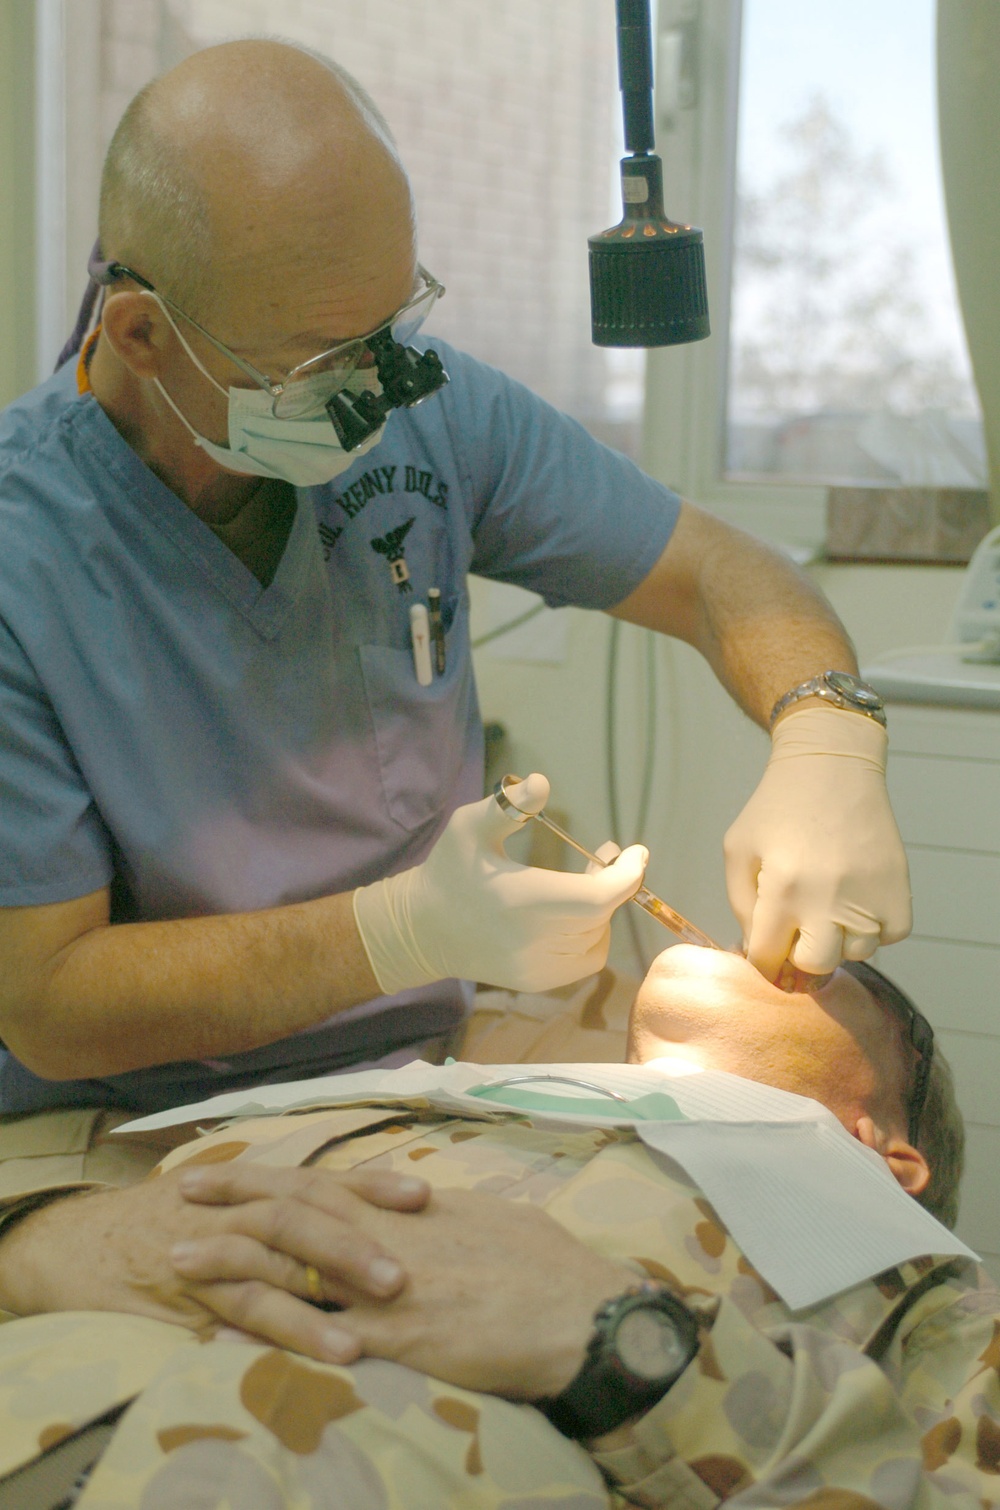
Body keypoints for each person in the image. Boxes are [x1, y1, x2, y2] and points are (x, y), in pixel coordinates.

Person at [0, 37, 910, 1128]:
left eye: (395, 325)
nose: (385, 389)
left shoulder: (434, 419)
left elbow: (720, 575)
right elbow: (49, 1004)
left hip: (429, 1060)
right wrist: (397, 932)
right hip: (127, 1118)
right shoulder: (27, 551)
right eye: (323, 359)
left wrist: (827, 736)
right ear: (142, 333)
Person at [0, 949, 988, 1510]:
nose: (773, 940)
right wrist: (35, 1239)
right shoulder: (415, 1098)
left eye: (829, 964)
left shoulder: (933, 1292)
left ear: (887, 1149)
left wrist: (631, 1352)